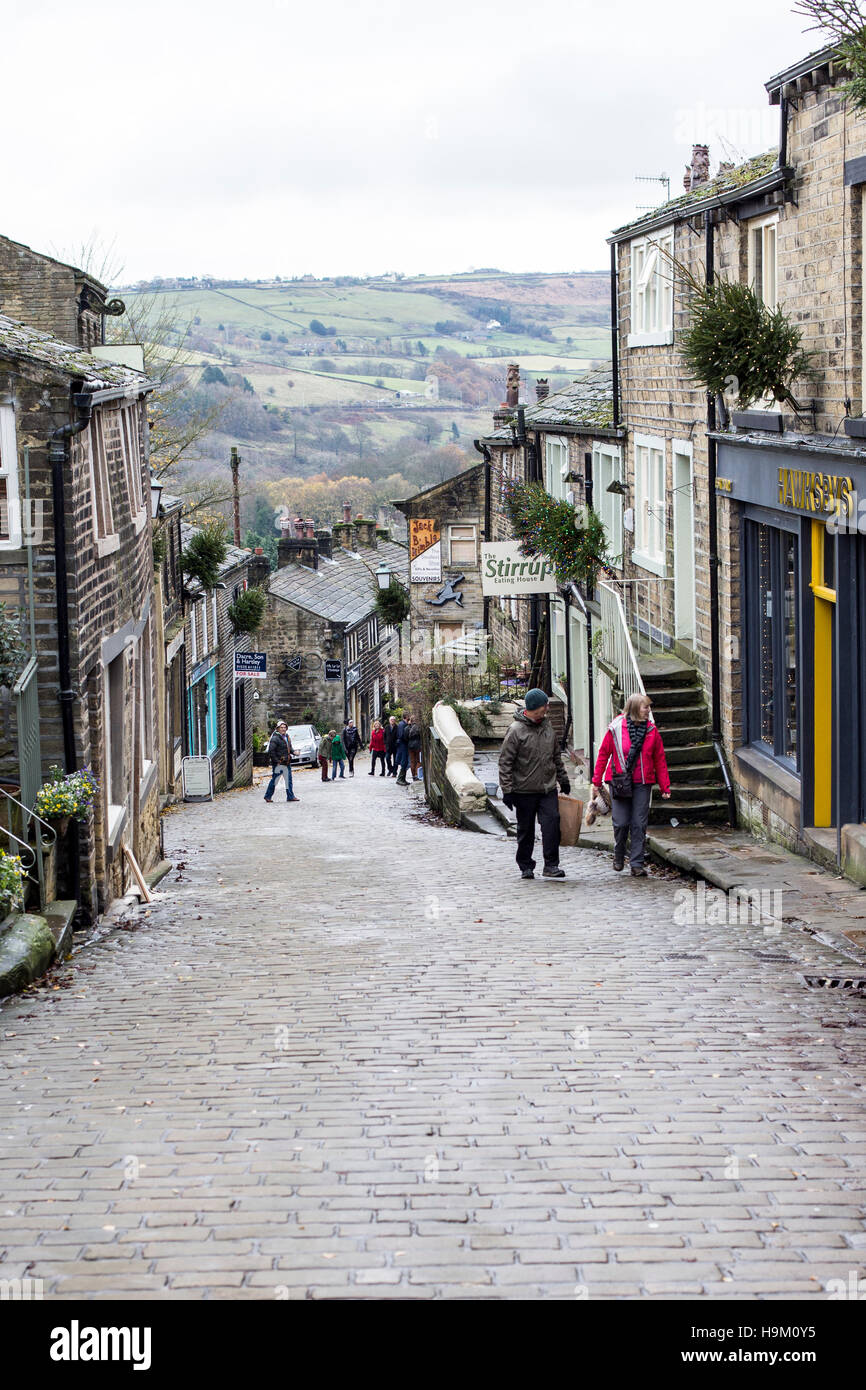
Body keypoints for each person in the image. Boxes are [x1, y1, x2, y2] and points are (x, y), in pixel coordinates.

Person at [592, 692, 671, 877]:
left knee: (639, 823)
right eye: (646, 707)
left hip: (643, 783)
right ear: (635, 708)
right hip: (619, 781)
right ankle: (619, 854)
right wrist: (596, 781)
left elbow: (660, 759)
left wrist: (665, 786)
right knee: (620, 822)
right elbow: (604, 754)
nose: (649, 711)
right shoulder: (616, 728)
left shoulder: (651, 731)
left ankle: (637, 863)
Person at [498, 689, 570, 880]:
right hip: (524, 790)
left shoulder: (547, 728)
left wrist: (563, 779)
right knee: (526, 830)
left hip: (547, 788)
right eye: (543, 707)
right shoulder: (515, 731)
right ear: (533, 709)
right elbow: (505, 762)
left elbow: (556, 756)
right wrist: (507, 790)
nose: (546, 709)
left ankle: (551, 865)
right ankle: (525, 865)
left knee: (552, 824)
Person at [263, 721, 300, 803]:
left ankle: (290, 796)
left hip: (287, 762)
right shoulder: (275, 738)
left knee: (289, 780)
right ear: (278, 729)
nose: (283, 729)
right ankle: (267, 796)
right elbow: (271, 751)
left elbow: (289, 748)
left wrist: (294, 752)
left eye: (284, 727)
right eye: (281, 727)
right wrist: (277, 762)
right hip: (279, 763)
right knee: (275, 781)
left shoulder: (287, 736)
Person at [394, 714, 411, 785]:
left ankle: (402, 778)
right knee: (404, 761)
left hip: (403, 745)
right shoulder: (402, 724)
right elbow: (401, 735)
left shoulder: (402, 724)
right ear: (406, 717)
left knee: (405, 761)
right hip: (403, 745)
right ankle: (400, 779)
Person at [406, 718, 422, 783]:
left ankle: (413, 775)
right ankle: (417, 775)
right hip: (418, 746)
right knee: (418, 761)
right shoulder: (419, 727)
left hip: (410, 746)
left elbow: (405, 737)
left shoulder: (408, 728)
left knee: (412, 761)